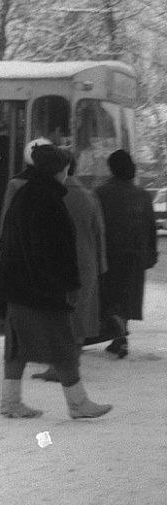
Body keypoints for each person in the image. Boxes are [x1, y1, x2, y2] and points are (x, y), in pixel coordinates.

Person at [0, 144, 111, 419]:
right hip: (45, 289)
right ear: (59, 170)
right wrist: (69, 285)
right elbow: (59, 251)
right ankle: (78, 403)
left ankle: (10, 401)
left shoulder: (23, 194)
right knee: (63, 345)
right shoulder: (51, 200)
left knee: (17, 347)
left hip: (18, 284)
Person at [31, 153, 107, 381]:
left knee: (56, 315)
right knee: (80, 315)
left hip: (55, 264)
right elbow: (99, 233)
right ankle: (71, 363)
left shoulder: (50, 195)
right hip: (86, 263)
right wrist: (101, 265)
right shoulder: (88, 196)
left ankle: (58, 367)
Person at [95, 149, 158, 360]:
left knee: (110, 298)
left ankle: (119, 335)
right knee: (127, 297)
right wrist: (151, 253)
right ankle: (120, 338)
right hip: (136, 255)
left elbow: (97, 226)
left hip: (110, 253)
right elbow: (151, 227)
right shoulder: (143, 195)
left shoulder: (101, 193)